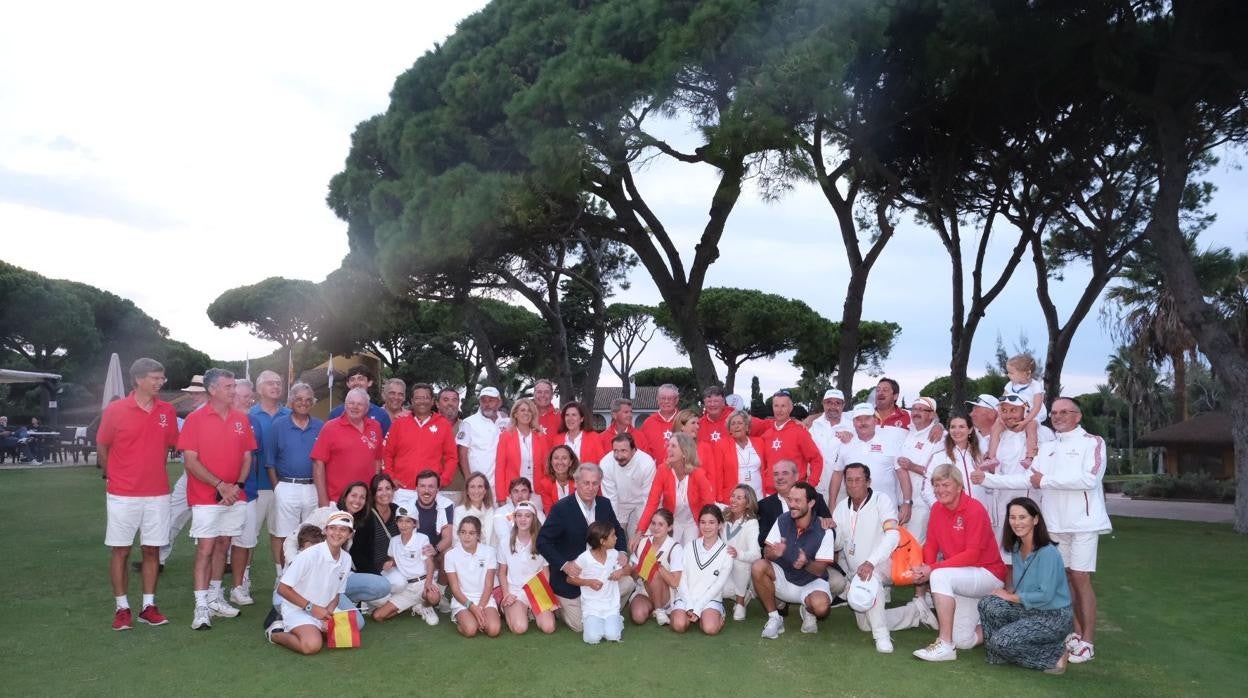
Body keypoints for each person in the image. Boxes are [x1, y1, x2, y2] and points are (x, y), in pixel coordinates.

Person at [974, 397, 1108, 665]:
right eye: (1055, 412)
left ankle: (1088, 642)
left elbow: (1090, 478)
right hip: (1054, 523)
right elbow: (1026, 479)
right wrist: (989, 479)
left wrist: (1045, 480)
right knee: (1064, 580)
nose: (1057, 416)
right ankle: (1074, 633)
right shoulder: (1047, 447)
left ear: (1077, 416)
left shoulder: (1093, 442)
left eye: (1064, 412)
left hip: (1084, 522)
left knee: (1080, 578)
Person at [97, 357, 179, 630]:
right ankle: (122, 609)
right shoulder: (116, 410)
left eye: (161, 378)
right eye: (155, 378)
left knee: (152, 549)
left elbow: (176, 443)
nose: (160, 382)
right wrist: (112, 476)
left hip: (157, 493)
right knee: (120, 550)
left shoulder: (166, 411)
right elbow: (103, 445)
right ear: (138, 380)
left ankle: (148, 606)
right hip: (123, 493)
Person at [178, 368, 257, 630]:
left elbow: (247, 456)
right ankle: (201, 605)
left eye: (234, 386)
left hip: (236, 495)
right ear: (212, 390)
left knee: (224, 544)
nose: (234, 391)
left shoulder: (240, 419)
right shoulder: (195, 419)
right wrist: (221, 485)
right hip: (205, 496)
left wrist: (237, 486)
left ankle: (214, 597)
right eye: (228, 387)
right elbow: (190, 460)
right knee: (206, 548)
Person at [911, 464, 1007, 661]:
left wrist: (932, 570)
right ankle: (1001, 624)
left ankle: (945, 644)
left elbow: (972, 555)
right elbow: (931, 545)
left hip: (988, 574)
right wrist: (925, 569)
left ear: (959, 487)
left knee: (939, 574)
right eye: (936, 485)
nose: (940, 490)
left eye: (946, 485)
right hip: (962, 577)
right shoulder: (937, 508)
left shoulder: (975, 509)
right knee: (964, 640)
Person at [978, 497, 1074, 674]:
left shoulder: (1048, 553)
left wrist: (1011, 596)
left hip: (1053, 616)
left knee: (1000, 641)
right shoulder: (1016, 547)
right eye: (1012, 517)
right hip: (1028, 609)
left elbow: (1046, 595)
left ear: (1035, 519)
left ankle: (1055, 655)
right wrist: (1008, 595)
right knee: (987, 603)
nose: (1016, 522)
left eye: (1022, 517)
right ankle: (997, 654)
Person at [534, 462, 634, 632]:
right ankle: (562, 607)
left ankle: (605, 612)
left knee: (629, 583)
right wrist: (564, 565)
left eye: (595, 483)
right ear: (576, 483)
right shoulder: (561, 509)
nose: (590, 487)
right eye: (586, 483)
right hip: (571, 581)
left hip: (601, 577)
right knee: (581, 626)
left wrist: (623, 552)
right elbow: (542, 541)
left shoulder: (604, 504)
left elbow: (617, 530)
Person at [231, 370, 290, 606]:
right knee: (249, 537)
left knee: (281, 533)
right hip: (256, 487)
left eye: (279, 383)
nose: (276, 386)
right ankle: (243, 580)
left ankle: (282, 577)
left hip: (283, 485)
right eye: (270, 383)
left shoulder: (289, 413)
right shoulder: (249, 414)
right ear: (259, 388)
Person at [828, 463, 901, 653]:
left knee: (870, 577)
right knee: (865, 623)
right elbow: (838, 545)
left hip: (883, 564)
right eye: (849, 480)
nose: (853, 485)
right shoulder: (842, 507)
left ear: (868, 481)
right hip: (857, 571)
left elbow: (893, 535)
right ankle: (915, 612)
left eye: (858, 480)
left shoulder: (881, 500)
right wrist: (829, 531)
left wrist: (871, 562)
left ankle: (882, 636)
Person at [753, 482, 837, 639]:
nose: (792, 505)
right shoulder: (782, 520)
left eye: (797, 501)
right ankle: (774, 618)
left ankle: (808, 610)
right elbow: (766, 553)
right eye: (790, 500)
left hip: (811, 582)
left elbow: (820, 570)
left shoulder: (824, 529)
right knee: (758, 566)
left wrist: (806, 563)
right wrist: (774, 553)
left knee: (821, 608)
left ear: (811, 503)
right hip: (783, 577)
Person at [268, 511, 357, 654]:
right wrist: (312, 609)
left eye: (343, 530)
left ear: (350, 534)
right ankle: (275, 633)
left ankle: (313, 629)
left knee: (347, 636)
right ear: (325, 530)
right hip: (299, 608)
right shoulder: (309, 555)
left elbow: (337, 594)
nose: (337, 533)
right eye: (333, 528)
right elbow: (282, 589)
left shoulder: (346, 559)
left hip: (324, 610)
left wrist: (328, 614)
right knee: (312, 645)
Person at [266, 382, 323, 568]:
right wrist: (278, 488)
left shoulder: (320, 426)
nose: (303, 403)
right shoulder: (279, 425)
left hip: (312, 487)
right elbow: (270, 461)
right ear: (291, 401)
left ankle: (306, 575)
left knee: (312, 534)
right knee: (285, 534)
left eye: (308, 400)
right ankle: (282, 576)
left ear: (312, 402)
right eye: (299, 399)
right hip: (286, 486)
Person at [156, 375, 207, 568]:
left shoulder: (200, 416)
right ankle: (158, 557)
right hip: (194, 473)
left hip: (197, 473)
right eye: (191, 393)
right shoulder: (197, 415)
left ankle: (158, 558)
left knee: (174, 514)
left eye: (197, 393)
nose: (192, 396)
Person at [833, 404, 911, 521]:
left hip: (886, 512)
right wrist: (831, 502)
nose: (863, 423)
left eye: (867, 418)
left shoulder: (890, 442)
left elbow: (902, 474)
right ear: (853, 423)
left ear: (875, 420)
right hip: (854, 512)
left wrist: (907, 502)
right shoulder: (845, 444)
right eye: (858, 419)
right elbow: (837, 474)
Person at [637, 434, 715, 545]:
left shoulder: (698, 474)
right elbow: (652, 503)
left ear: (684, 452)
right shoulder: (662, 470)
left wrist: (709, 532)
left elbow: (709, 507)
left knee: (690, 554)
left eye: (673, 446)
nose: (668, 449)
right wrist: (640, 532)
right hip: (673, 522)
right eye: (668, 445)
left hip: (694, 523)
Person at [383, 383, 458, 501]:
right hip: (402, 490)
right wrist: (390, 478)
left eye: (426, 398)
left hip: (430, 491)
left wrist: (442, 480)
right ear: (412, 401)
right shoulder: (399, 424)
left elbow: (451, 457)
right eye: (418, 398)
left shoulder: (443, 425)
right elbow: (387, 454)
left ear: (433, 401)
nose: (422, 401)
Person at [311, 387, 384, 507]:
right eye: (351, 403)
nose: (355, 407)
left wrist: (372, 492)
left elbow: (377, 460)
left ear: (367, 409)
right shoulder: (330, 427)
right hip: (337, 500)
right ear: (345, 405)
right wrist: (323, 501)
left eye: (360, 404)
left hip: (364, 500)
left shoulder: (375, 427)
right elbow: (318, 464)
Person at [671, 504, 733, 635]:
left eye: (712, 522)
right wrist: (689, 605)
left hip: (710, 599)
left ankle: (713, 615)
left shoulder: (727, 552)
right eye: (703, 522)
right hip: (687, 597)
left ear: (720, 525)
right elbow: (682, 578)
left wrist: (698, 608)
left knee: (710, 629)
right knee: (678, 625)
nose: (707, 526)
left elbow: (718, 585)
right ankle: (695, 615)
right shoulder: (689, 546)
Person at [373, 505, 440, 625]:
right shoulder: (394, 541)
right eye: (400, 521)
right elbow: (393, 560)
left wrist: (429, 582)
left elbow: (429, 563)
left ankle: (426, 605)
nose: (403, 525)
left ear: (415, 524)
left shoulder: (422, 538)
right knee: (378, 616)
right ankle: (414, 606)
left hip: (423, 582)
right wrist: (390, 563)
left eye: (408, 521)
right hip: (406, 588)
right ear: (397, 523)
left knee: (433, 597)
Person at [497, 501, 558, 634]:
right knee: (520, 628)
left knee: (549, 628)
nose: (523, 519)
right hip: (515, 592)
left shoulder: (542, 542)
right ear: (515, 518)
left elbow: (546, 571)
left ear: (534, 519)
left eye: (527, 516)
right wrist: (506, 594)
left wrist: (545, 595)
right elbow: (502, 572)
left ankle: (530, 611)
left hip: (536, 590)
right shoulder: (505, 541)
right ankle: (512, 609)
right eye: (519, 515)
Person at [568, 521, 631, 644]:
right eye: (613, 535)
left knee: (612, 636)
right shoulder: (584, 558)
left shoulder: (614, 554)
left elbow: (629, 569)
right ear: (602, 541)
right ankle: (597, 623)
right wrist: (588, 582)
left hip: (611, 606)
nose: (616, 538)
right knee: (592, 638)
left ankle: (615, 619)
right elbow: (570, 579)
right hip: (592, 607)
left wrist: (621, 572)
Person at [444, 515, 502, 638]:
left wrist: (480, 608)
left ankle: (476, 618)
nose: (467, 536)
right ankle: (463, 622)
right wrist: (472, 608)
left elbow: (489, 584)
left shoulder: (489, 552)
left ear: (478, 535)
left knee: (494, 630)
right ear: (458, 534)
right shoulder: (450, 555)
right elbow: (455, 589)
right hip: (463, 600)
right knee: (470, 630)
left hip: (484, 599)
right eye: (463, 532)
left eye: (471, 533)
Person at [757, 459, 833, 550]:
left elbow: (829, 531)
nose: (779, 477)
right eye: (776, 474)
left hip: (812, 556)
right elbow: (762, 539)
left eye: (785, 473)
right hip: (778, 559)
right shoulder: (764, 505)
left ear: (796, 476)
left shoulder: (815, 499)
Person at [760, 390, 824, 497]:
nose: (779, 410)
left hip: (794, 494)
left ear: (790, 408)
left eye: (783, 406)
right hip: (769, 494)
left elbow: (816, 459)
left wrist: (811, 484)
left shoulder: (800, 432)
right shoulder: (765, 433)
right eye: (776, 406)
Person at [986, 355, 1047, 465]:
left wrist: (1026, 421)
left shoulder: (1035, 386)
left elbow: (1037, 407)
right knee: (995, 427)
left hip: (1030, 415)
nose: (1008, 375)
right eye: (1008, 372)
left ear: (1026, 373)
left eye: (1011, 373)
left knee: (1031, 427)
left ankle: (1030, 456)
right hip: (1011, 414)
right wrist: (1001, 418)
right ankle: (991, 457)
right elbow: (1001, 402)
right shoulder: (1009, 385)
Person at [627, 509, 683, 626]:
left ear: (669, 528)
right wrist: (637, 568)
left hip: (666, 594)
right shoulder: (643, 542)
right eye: (653, 523)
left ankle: (660, 610)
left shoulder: (675, 548)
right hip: (644, 590)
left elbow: (675, 582)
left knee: (655, 571)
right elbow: (633, 576)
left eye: (661, 524)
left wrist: (658, 567)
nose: (655, 527)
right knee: (638, 617)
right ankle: (653, 610)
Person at [896, 397, 940, 544]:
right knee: (900, 547)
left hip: (922, 504)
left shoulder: (940, 437)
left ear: (932, 414)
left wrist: (912, 466)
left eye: (921, 409)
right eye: (914, 409)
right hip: (901, 502)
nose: (916, 412)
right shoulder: (908, 431)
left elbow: (940, 473)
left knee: (915, 547)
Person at [349, 474, 400, 598]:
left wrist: (394, 560)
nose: (384, 493)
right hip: (371, 569)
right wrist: (374, 573)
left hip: (391, 565)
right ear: (373, 493)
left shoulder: (396, 510)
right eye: (379, 489)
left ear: (393, 490)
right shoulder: (366, 515)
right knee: (383, 596)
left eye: (388, 488)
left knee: (401, 583)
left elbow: (403, 541)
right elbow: (357, 554)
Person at [599, 432, 657, 537]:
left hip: (641, 504)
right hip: (619, 504)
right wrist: (615, 528)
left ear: (634, 450)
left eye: (624, 451)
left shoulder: (647, 463)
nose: (619, 456)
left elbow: (647, 498)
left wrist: (642, 529)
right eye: (615, 451)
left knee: (641, 539)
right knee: (616, 538)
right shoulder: (605, 464)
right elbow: (611, 499)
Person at [495, 398, 550, 503]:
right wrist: (500, 497)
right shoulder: (505, 437)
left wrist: (545, 489)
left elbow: (547, 467)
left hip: (536, 493)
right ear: (515, 414)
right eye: (522, 410)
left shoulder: (540, 437)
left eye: (529, 411)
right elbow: (500, 468)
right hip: (513, 493)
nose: (526, 413)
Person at [456, 386, 509, 491]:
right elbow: (462, 455)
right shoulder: (469, 422)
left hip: (502, 484)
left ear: (499, 402)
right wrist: (469, 480)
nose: (487, 404)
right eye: (483, 400)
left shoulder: (507, 421)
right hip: (478, 485)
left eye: (491, 400)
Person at [721, 484, 761, 620]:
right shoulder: (724, 514)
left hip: (741, 569)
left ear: (748, 503)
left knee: (740, 562)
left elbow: (756, 554)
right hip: (724, 567)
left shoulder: (751, 523)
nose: (733, 500)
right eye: (733, 496)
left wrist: (738, 554)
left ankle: (740, 601)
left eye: (739, 498)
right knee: (724, 591)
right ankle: (742, 593)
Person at [943, 413, 994, 514]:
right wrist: (944, 509)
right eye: (953, 427)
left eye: (961, 426)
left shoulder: (982, 455)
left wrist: (988, 476)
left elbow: (991, 489)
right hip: (952, 515)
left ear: (970, 430)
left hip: (980, 514)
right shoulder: (939, 457)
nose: (956, 431)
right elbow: (928, 488)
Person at [673, 409, 727, 497]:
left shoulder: (705, 447)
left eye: (698, 423)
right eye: (693, 423)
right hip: (678, 498)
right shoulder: (672, 447)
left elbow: (712, 476)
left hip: (701, 498)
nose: (697, 427)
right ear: (682, 426)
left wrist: (711, 498)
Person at [326, 365, 393, 435]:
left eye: (360, 379)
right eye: (352, 379)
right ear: (348, 384)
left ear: (370, 382)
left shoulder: (381, 415)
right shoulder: (335, 414)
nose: (356, 383)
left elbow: (387, 443)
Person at [720, 410, 764, 502]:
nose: (736, 426)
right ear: (729, 429)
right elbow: (718, 474)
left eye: (740, 423)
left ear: (747, 427)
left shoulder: (759, 442)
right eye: (733, 424)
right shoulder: (721, 445)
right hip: (736, 499)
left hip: (759, 497)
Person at [493, 476, 546, 544]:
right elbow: (505, 539)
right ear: (510, 495)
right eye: (516, 491)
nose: (520, 496)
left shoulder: (539, 514)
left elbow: (542, 538)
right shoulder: (500, 513)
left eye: (524, 491)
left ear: (530, 494)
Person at [453, 472, 498, 548]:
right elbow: (456, 541)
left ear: (485, 490)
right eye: (472, 487)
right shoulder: (459, 511)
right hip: (466, 556)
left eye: (480, 487)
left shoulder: (491, 511)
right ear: (467, 491)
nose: (476, 491)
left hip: (489, 556)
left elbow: (495, 541)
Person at [639, 383, 681, 464]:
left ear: (676, 400)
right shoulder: (648, 423)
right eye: (662, 398)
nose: (666, 401)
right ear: (657, 399)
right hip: (655, 472)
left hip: (680, 472)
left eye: (670, 398)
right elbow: (642, 450)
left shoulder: (684, 420)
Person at [555, 401, 605, 467]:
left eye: (574, 415)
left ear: (581, 419)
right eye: (567, 415)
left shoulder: (594, 437)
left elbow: (602, 463)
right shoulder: (557, 440)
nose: (570, 419)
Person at [537, 445, 579, 513]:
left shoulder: (579, 482)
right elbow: (549, 512)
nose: (560, 462)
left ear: (570, 462)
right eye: (556, 458)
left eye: (564, 458)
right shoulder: (545, 484)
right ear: (551, 462)